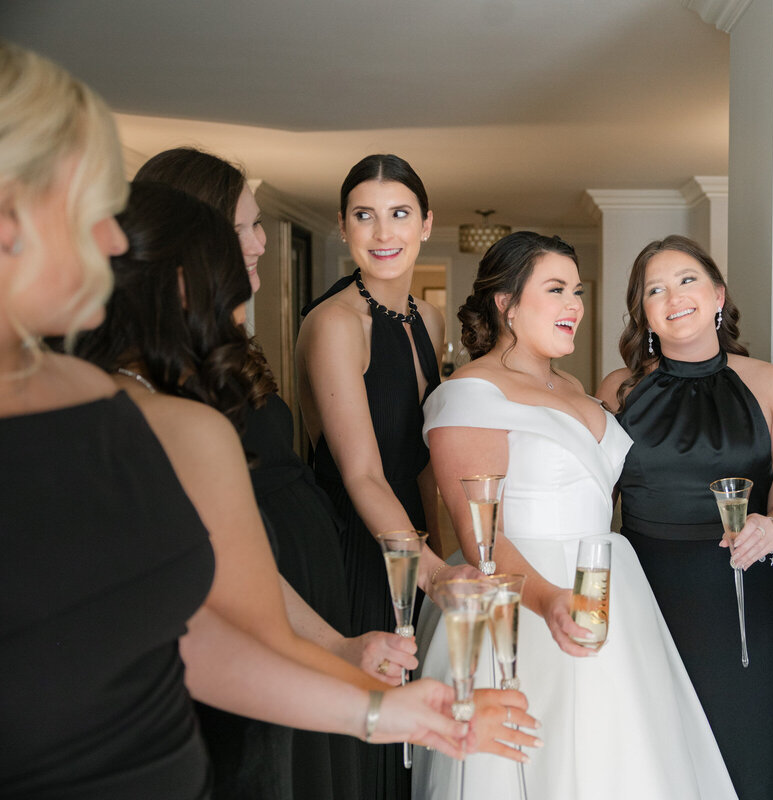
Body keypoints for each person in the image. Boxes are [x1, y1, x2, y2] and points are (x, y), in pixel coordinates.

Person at [0, 40, 477, 800]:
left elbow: (182, 632)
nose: (117, 242)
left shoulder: (93, 398)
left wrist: (377, 703)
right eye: (93, 210)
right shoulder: (179, 405)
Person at [133, 147, 415, 800]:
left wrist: (337, 644)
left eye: (258, 224)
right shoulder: (143, 386)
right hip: (248, 625)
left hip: (302, 598)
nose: (260, 242)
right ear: (188, 243)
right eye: (242, 227)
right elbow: (216, 556)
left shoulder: (222, 346)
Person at [414, 231, 738, 799]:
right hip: (523, 601)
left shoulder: (575, 387)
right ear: (507, 302)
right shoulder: (470, 393)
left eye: (577, 291)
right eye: (556, 289)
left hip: (610, 586)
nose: (575, 305)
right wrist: (550, 602)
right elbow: (482, 539)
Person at [595, 235, 773, 799]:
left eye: (686, 280)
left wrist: (772, 528)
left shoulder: (772, 384)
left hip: (740, 589)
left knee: (746, 749)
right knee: (653, 755)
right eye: (655, 289)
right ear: (643, 313)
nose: (673, 297)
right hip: (644, 588)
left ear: (718, 295)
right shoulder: (618, 390)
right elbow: (592, 501)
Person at [296, 154, 459, 799]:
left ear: (426, 224)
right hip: (352, 550)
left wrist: (438, 552)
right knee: (368, 747)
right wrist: (434, 572)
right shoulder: (334, 323)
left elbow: (420, 462)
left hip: (410, 546)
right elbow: (363, 473)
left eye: (399, 214)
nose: (384, 232)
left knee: (411, 739)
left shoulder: (429, 318)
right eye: (365, 215)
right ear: (343, 227)